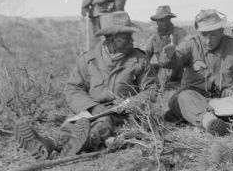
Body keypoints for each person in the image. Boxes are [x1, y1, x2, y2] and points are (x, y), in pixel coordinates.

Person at [14, 11, 159, 160]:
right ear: (112, 39)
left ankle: (82, 143)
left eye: (130, 35)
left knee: (104, 124)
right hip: (89, 110)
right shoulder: (89, 59)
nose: (131, 39)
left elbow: (152, 90)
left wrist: (129, 104)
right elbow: (73, 88)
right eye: (126, 36)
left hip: (121, 114)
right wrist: (92, 107)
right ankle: (48, 144)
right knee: (74, 124)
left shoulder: (140, 60)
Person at [161, 9, 233, 136]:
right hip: (195, 99)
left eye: (213, 35)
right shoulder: (191, 43)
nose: (208, 41)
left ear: (221, 31)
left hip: (223, 100)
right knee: (183, 98)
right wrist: (169, 56)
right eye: (204, 35)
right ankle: (209, 121)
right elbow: (175, 61)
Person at [146, 5, 187, 90]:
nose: (162, 23)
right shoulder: (153, 39)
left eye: (165, 20)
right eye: (160, 21)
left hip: (181, 78)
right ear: (156, 22)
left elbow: (188, 54)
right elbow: (145, 60)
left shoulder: (179, 33)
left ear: (169, 19)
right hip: (163, 81)